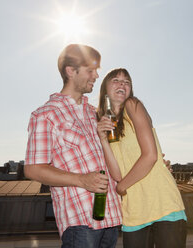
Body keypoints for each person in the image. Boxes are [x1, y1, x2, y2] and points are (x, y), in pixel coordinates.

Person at [24, 44, 122, 248]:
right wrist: (81, 180)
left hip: (112, 219)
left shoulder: (94, 113)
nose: (96, 76)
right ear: (70, 71)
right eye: (90, 70)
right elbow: (33, 169)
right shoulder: (46, 115)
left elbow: (115, 152)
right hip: (80, 222)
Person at [97, 68, 187, 248]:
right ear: (105, 89)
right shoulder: (108, 124)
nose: (122, 84)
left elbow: (151, 156)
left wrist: (122, 186)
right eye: (116, 80)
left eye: (127, 82)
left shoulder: (133, 105)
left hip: (163, 204)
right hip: (134, 212)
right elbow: (117, 173)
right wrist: (103, 139)